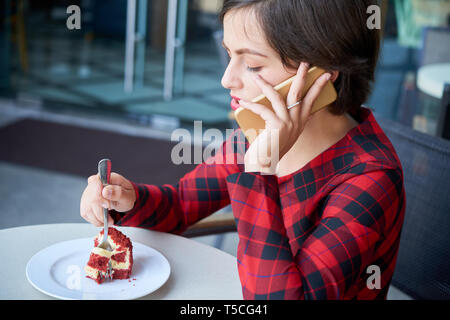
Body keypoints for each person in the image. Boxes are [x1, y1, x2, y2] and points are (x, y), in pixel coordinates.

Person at [80, 0, 405, 300]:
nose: (226, 79)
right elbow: (181, 205)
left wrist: (260, 169)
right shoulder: (258, 135)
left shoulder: (370, 179)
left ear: (321, 75)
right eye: (229, 53)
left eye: (252, 64)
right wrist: (126, 198)